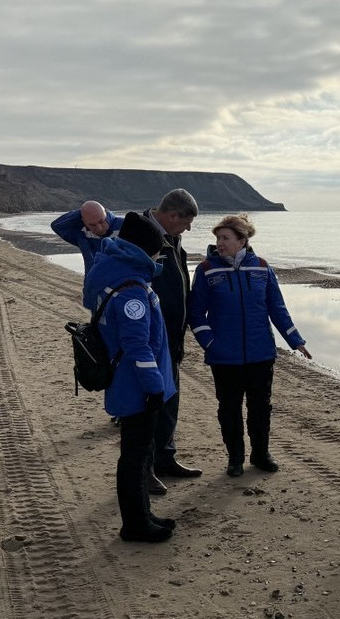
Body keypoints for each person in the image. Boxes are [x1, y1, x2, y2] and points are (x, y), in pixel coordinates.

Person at [188, 213, 312, 477]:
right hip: (224, 357)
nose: (220, 243)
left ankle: (260, 453)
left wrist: (295, 340)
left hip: (260, 354)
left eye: (226, 238)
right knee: (229, 409)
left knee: (260, 408)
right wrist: (209, 342)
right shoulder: (207, 269)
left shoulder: (263, 267)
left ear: (242, 240)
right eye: (218, 238)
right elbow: (196, 312)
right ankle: (235, 458)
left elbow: (277, 308)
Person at [83, 212, 178, 543]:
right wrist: (155, 388)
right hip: (136, 386)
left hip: (133, 383)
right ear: (143, 251)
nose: (159, 256)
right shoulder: (132, 290)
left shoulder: (122, 276)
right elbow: (138, 347)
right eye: (157, 250)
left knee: (138, 453)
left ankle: (143, 514)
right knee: (135, 456)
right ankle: (135, 525)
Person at [140, 189, 203, 480]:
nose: (189, 228)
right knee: (149, 407)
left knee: (169, 402)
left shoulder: (173, 241)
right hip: (151, 339)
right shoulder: (142, 238)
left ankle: (165, 457)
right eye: (187, 222)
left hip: (172, 338)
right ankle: (146, 467)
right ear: (173, 215)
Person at [51, 200, 125, 308]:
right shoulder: (81, 234)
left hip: (122, 289)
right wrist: (82, 212)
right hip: (94, 289)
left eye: (102, 221)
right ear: (83, 222)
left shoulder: (125, 226)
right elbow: (57, 225)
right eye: (92, 225)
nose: (99, 228)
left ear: (106, 213)